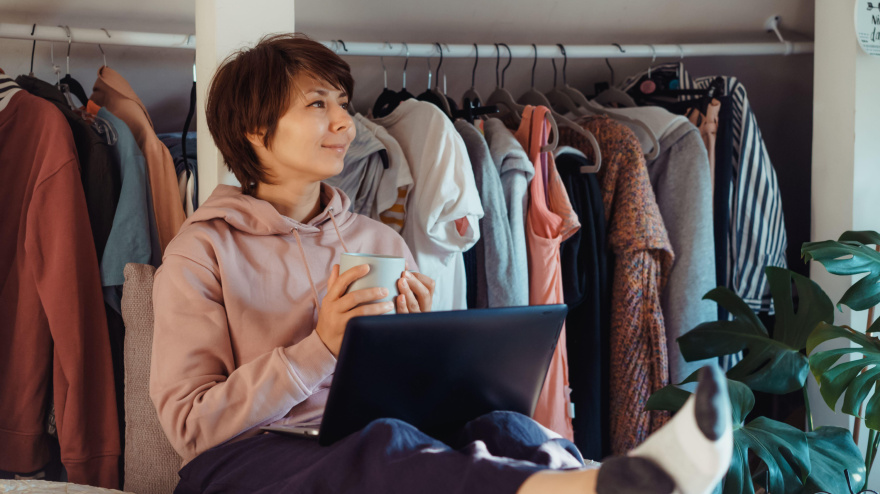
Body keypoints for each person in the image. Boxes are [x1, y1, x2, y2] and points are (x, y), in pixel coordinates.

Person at [150, 33, 733, 494]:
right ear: (254, 131)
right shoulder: (202, 251)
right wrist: (318, 349)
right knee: (381, 446)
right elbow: (191, 428)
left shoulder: (377, 239)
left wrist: (422, 348)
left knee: (506, 426)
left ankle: (600, 479)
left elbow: (412, 403)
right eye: (317, 104)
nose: (344, 123)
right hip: (244, 462)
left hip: (362, 439)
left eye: (342, 104)